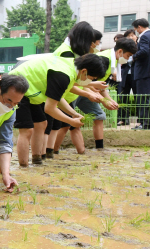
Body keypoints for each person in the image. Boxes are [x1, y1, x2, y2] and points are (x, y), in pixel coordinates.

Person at [10, 54, 106, 166]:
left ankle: (37, 161)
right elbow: (50, 109)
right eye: (91, 78)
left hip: (31, 90)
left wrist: (74, 114)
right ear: (84, 71)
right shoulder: (63, 75)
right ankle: (24, 166)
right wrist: (71, 121)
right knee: (26, 129)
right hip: (17, 86)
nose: (90, 82)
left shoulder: (70, 70)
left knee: (41, 123)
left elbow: (58, 98)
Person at [53, 38, 137, 153]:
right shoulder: (104, 60)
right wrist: (101, 99)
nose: (128, 59)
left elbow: (99, 86)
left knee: (99, 115)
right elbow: (87, 82)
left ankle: (99, 148)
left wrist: (109, 100)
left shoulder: (114, 62)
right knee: (67, 123)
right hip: (76, 90)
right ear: (120, 52)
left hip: (86, 90)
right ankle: (52, 151)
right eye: (128, 55)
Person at [42, 22, 102, 158]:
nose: (92, 46)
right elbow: (69, 81)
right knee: (48, 125)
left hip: (62, 95)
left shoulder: (72, 52)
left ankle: (49, 154)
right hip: (57, 93)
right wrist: (87, 92)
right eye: (91, 42)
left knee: (56, 125)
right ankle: (43, 155)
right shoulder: (67, 54)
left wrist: (90, 88)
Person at [131, 18, 150, 129]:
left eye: (136, 29)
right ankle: (146, 122)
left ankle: (142, 123)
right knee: (147, 98)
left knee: (142, 98)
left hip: (143, 72)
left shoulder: (144, 36)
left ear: (139, 27)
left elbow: (144, 51)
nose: (136, 31)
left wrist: (133, 56)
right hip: (149, 71)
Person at [117, 29, 138, 126]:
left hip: (135, 74)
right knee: (123, 97)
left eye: (133, 35)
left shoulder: (139, 45)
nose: (131, 37)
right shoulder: (122, 48)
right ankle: (123, 119)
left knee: (138, 97)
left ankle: (141, 120)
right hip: (125, 74)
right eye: (129, 35)